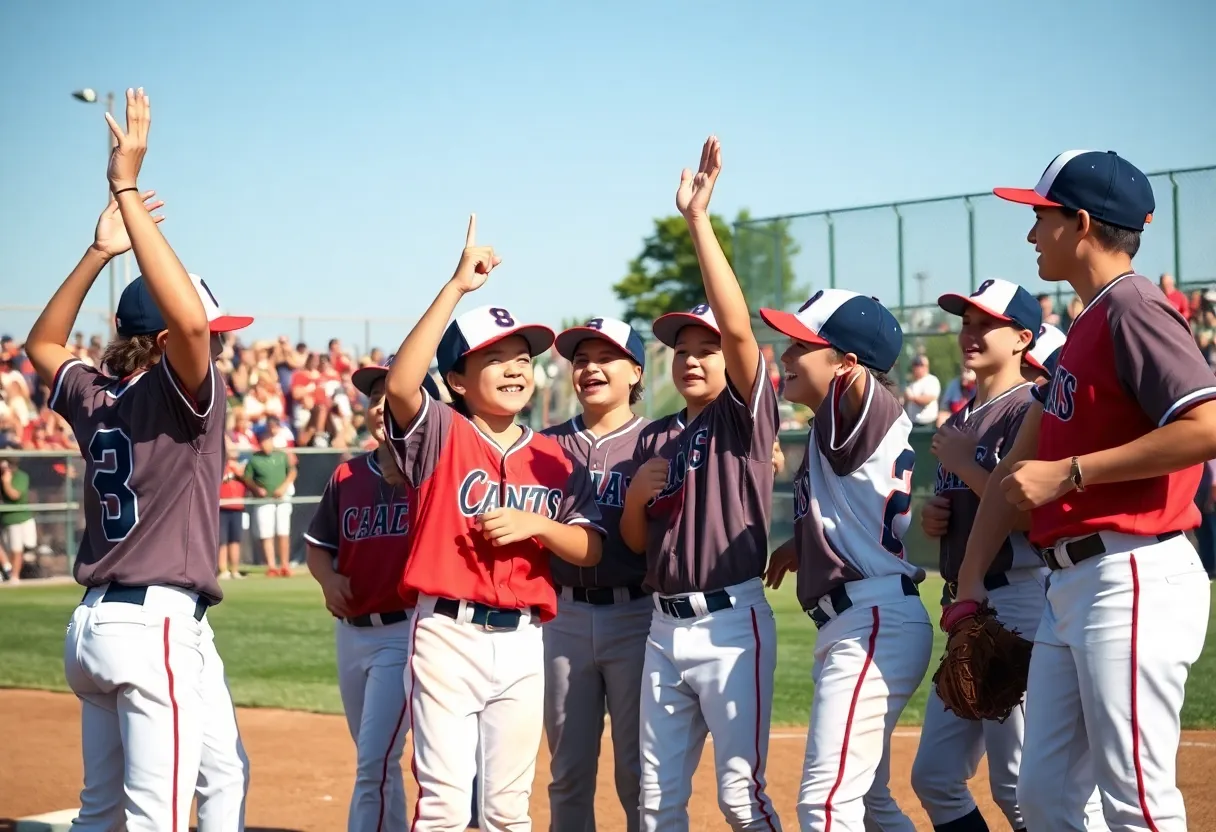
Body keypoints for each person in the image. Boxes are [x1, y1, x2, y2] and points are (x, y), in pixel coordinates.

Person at [955, 149, 1216, 831]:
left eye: (1040, 217)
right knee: (1042, 799)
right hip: (1070, 586)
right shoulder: (1082, 331)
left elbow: (1207, 425)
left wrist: (1073, 472)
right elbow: (1014, 473)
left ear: (1079, 221)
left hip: (1133, 573)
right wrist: (969, 586)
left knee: (1136, 802)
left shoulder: (1134, 307)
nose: (1031, 233)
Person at [25, 89, 252, 831]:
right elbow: (186, 318)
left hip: (95, 627)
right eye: (209, 333)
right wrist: (125, 188)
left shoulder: (97, 394)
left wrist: (99, 250)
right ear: (166, 342)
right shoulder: (177, 394)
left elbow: (42, 347)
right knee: (154, 821)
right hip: (153, 628)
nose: (216, 343)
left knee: (125, 808)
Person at [382, 215, 605, 831]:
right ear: (456, 379)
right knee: (446, 806)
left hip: (526, 639)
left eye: (522, 359)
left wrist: (537, 529)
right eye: (493, 359)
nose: (514, 368)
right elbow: (402, 384)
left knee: (509, 809)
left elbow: (587, 547)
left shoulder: (554, 456)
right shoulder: (441, 434)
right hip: (447, 635)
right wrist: (455, 287)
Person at [621, 136, 782, 832]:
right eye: (681, 350)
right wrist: (633, 499)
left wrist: (697, 222)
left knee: (741, 799)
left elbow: (742, 331)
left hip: (730, 622)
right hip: (662, 624)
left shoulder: (742, 417)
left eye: (705, 348)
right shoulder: (654, 436)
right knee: (657, 803)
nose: (691, 358)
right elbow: (635, 542)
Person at [914, 279, 1108, 832]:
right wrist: (938, 516)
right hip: (968, 605)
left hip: (1020, 597)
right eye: (966, 322)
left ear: (1023, 338)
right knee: (934, 777)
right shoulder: (960, 418)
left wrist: (969, 465)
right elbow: (972, 507)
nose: (970, 333)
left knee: (1019, 785)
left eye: (986, 324)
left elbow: (1032, 514)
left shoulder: (1030, 408)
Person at [759, 288, 930, 831]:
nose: (785, 355)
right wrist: (803, 544)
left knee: (824, 805)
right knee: (871, 804)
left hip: (872, 619)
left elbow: (859, 387)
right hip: (862, 616)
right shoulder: (832, 422)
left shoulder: (860, 406)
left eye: (801, 344)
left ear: (848, 366)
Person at [304, 361, 441, 832]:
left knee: (375, 763)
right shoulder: (346, 476)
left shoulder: (433, 473)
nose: (381, 404)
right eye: (374, 396)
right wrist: (327, 580)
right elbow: (319, 545)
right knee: (376, 761)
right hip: (352, 634)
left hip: (405, 632)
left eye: (392, 394)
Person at [542, 316, 651, 832]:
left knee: (638, 773)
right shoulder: (542, 446)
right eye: (581, 359)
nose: (590, 368)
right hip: (560, 616)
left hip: (637, 616)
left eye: (606, 358)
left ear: (635, 371)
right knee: (567, 772)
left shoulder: (659, 442)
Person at [244, 424, 297, 576]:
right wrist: (256, 488)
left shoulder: (281, 456)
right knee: (266, 532)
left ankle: (285, 565)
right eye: (263, 441)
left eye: (268, 441)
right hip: (264, 500)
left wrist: (284, 486)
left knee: (283, 531)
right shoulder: (254, 459)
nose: (265, 444)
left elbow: (292, 471)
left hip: (282, 498)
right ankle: (272, 566)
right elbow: (247, 478)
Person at [0, 457, 34, 582]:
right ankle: (8, 570)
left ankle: (14, 576)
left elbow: (14, 495)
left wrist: (6, 482)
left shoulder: (20, 476)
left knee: (18, 549)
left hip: (18, 518)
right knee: (10, 549)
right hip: (4, 518)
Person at [218, 446, 247, 580]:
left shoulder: (242, 467)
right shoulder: (221, 465)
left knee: (235, 539)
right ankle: (223, 570)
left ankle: (234, 570)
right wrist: (231, 473)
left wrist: (240, 474)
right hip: (222, 507)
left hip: (237, 507)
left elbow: (249, 482)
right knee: (222, 540)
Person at [903, 354, 941, 426]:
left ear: (926, 367)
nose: (917, 367)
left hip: (927, 424)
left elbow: (927, 399)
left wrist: (912, 398)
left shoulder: (931, 380)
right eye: (915, 365)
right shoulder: (912, 383)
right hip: (912, 423)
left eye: (920, 365)